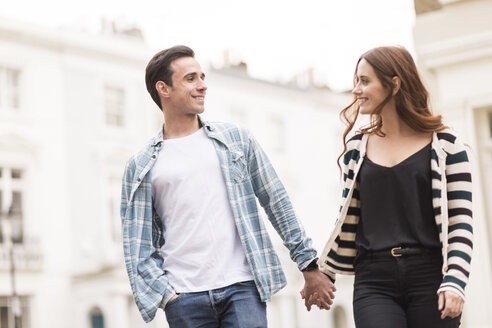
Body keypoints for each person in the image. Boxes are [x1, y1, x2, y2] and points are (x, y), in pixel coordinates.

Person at [120, 45, 336, 327]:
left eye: (202, 76)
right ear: (164, 88)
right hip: (184, 298)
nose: (202, 86)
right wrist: (167, 295)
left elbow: (276, 201)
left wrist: (308, 264)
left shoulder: (236, 140)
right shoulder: (141, 165)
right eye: (191, 79)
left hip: (243, 288)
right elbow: (137, 245)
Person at [311, 46, 473, 327]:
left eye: (364, 81)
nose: (356, 90)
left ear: (394, 84)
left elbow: (461, 222)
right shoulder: (356, 148)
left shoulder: (447, 146)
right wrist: (324, 271)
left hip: (431, 277)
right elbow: (346, 220)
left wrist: (455, 281)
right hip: (374, 280)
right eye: (355, 81)